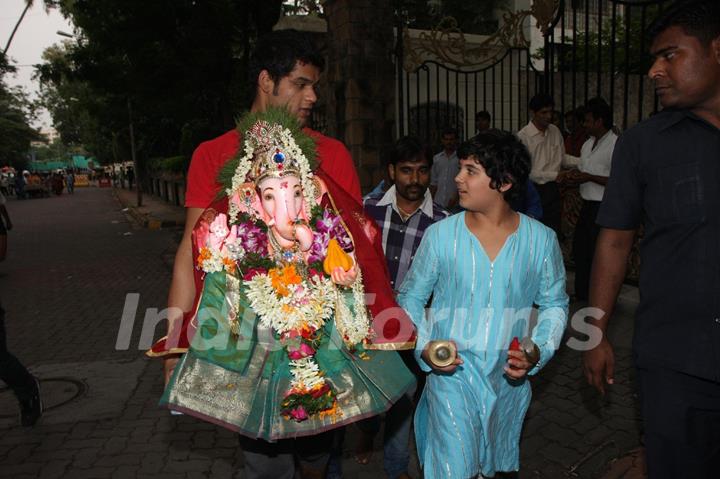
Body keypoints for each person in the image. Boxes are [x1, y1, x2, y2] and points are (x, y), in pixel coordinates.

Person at [155, 30, 390, 479]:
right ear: (267, 80)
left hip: (320, 343)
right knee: (265, 463)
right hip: (246, 342)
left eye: (314, 85)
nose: (312, 96)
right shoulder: (213, 156)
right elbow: (191, 251)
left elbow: (354, 254)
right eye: (301, 83)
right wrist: (174, 343)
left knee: (319, 456)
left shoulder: (333, 155)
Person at [583, 1, 720, 477]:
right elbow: (615, 241)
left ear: (717, 50)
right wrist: (595, 333)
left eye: (670, 56)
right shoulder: (644, 143)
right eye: (653, 59)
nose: (654, 71)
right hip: (674, 361)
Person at [398, 132, 568, 478]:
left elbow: (554, 304)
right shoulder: (441, 236)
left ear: (504, 182)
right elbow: (410, 298)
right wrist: (427, 346)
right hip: (452, 376)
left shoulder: (540, 240)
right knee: (455, 467)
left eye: (471, 171)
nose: (458, 178)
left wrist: (538, 350)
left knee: (490, 465)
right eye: (460, 169)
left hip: (507, 379)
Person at [354, 136, 450, 478]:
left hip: (412, 327)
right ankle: (366, 433)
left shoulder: (443, 223)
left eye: (422, 171)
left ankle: (396, 466)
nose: (415, 180)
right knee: (365, 390)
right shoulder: (366, 210)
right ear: (392, 172)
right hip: (366, 320)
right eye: (406, 171)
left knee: (404, 393)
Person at [569, 98, 617, 301]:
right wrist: (574, 175)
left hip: (604, 207)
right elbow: (583, 169)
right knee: (581, 250)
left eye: (588, 121)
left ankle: (599, 297)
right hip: (586, 205)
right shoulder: (587, 144)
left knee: (600, 255)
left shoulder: (616, 144)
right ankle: (582, 293)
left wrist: (589, 177)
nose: (584, 125)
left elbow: (618, 180)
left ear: (599, 121)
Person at [517, 93, 579, 237]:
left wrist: (584, 162)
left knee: (552, 231)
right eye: (544, 112)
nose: (548, 116)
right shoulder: (523, 137)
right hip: (533, 190)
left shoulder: (555, 131)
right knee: (533, 233)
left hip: (553, 190)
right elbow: (526, 172)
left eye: (550, 112)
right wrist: (556, 175)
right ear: (533, 113)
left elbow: (562, 158)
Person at [430, 127, 460, 210]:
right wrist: (430, 200)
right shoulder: (436, 159)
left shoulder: (460, 159)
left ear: (456, 140)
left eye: (451, 139)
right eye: (446, 139)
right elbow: (433, 182)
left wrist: (455, 197)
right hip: (438, 203)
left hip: (456, 204)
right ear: (442, 141)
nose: (449, 142)